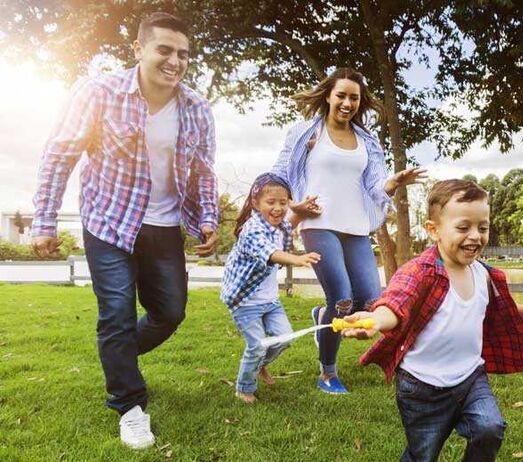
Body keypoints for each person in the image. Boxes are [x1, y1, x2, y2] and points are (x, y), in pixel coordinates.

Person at [29, 12, 218, 449]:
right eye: (165, 50)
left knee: (169, 313)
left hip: (165, 225)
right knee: (115, 312)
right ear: (138, 49)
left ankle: (117, 358)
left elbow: (203, 173)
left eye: (184, 54)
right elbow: (59, 155)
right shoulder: (99, 92)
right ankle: (129, 403)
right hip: (110, 221)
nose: (175, 61)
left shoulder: (197, 108)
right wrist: (44, 220)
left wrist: (207, 217)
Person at [342, 179, 523, 462]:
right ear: (434, 230)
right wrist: (375, 320)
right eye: (463, 227)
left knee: (489, 429)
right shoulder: (420, 272)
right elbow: (397, 303)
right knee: (423, 454)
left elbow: (495, 310)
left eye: (483, 227)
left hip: (470, 377)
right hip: (421, 386)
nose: (476, 236)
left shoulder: (483, 274)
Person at [271, 67, 426, 394]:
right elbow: (280, 174)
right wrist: (291, 208)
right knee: (341, 299)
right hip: (318, 223)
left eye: (354, 97)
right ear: (328, 95)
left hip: (355, 225)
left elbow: (373, 186)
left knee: (371, 300)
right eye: (341, 95)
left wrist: (394, 182)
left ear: (360, 101)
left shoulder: (367, 140)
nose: (347, 102)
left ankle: (321, 317)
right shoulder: (304, 133)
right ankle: (327, 373)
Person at [221, 173, 321, 404]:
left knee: (284, 338)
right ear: (256, 204)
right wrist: (297, 259)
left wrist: (300, 210)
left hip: (270, 300)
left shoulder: (279, 226)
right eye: (271, 202)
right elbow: (271, 253)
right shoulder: (252, 229)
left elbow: (289, 223)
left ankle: (260, 365)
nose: (277, 208)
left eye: (283, 203)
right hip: (245, 301)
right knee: (256, 346)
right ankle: (244, 388)